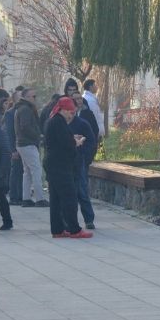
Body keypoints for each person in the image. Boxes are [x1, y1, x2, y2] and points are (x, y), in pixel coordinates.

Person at [44, 97, 91, 238]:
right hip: (60, 165)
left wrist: (72, 138)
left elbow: (61, 139)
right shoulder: (58, 122)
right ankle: (74, 229)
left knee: (56, 199)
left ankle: (57, 229)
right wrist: (77, 142)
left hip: (53, 164)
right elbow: (66, 143)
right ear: (63, 110)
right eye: (70, 112)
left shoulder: (53, 120)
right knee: (69, 197)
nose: (72, 115)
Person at [14, 88, 47, 207]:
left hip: (23, 143)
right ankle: (39, 199)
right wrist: (38, 136)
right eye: (33, 96)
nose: (35, 99)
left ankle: (26, 198)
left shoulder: (22, 108)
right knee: (36, 170)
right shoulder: (25, 109)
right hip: (27, 143)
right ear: (26, 97)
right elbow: (25, 126)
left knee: (27, 172)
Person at [69, 92, 98, 229]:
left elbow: (91, 140)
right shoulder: (59, 123)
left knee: (82, 191)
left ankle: (89, 219)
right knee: (69, 192)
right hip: (65, 163)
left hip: (79, 160)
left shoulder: (82, 123)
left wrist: (86, 156)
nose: (70, 112)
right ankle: (70, 220)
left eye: (72, 110)